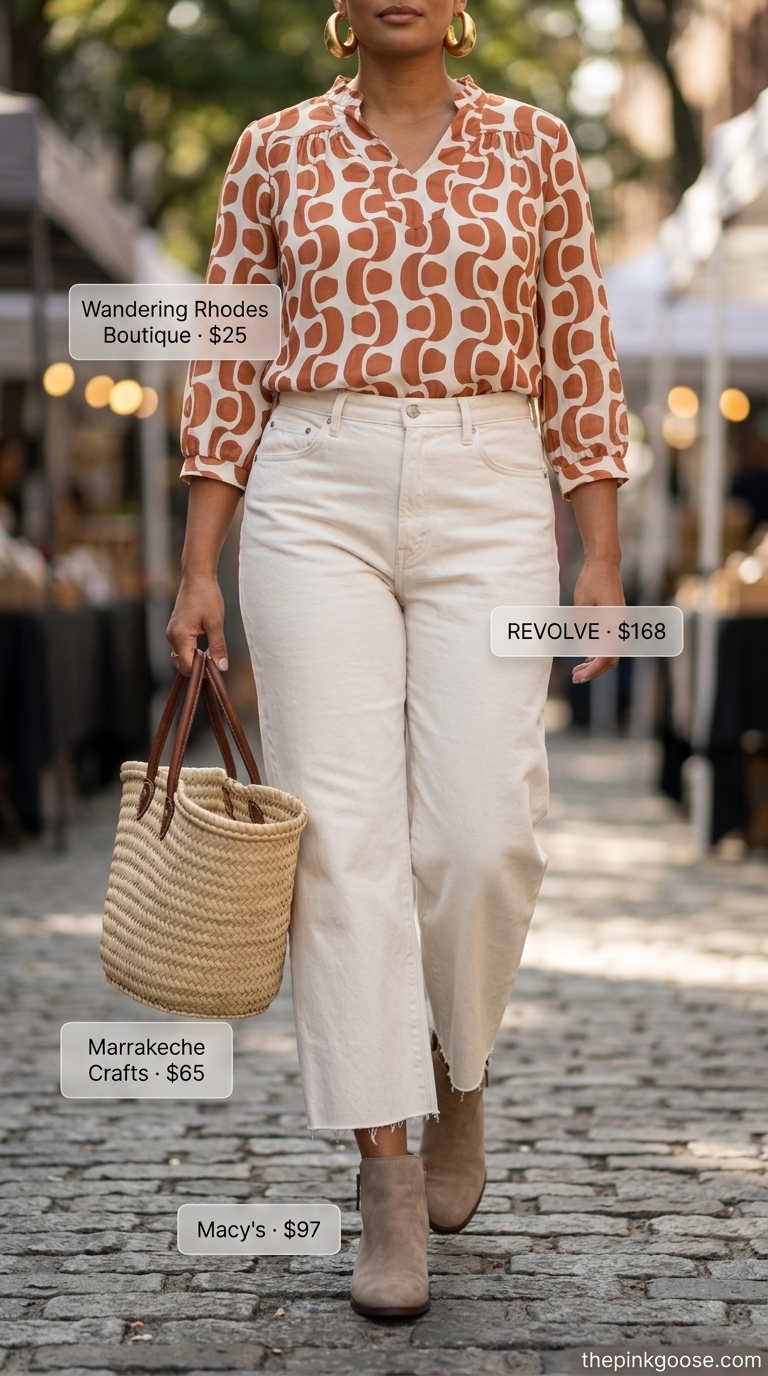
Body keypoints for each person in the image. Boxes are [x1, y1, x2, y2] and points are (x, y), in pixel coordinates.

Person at [167, 0, 628, 1319]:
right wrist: (202, 560)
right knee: (341, 837)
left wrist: (599, 556)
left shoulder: (538, 148)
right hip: (313, 485)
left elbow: (580, 348)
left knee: (480, 834)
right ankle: (382, 1165)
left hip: (493, 482)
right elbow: (225, 352)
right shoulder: (270, 150)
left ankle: (458, 1065)